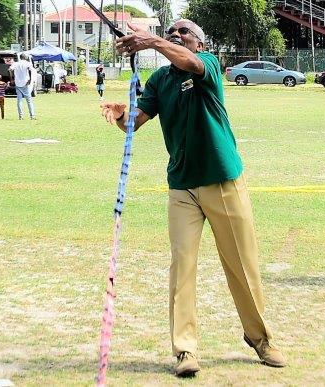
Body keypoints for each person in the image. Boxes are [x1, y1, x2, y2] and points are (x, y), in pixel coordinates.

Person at [106, 19, 285, 377]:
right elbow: (136, 122)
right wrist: (121, 115)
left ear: (200, 42)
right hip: (182, 186)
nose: (176, 35)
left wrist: (152, 41)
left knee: (242, 266)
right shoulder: (160, 80)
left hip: (222, 180)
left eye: (183, 32)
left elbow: (190, 63)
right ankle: (185, 350)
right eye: (171, 31)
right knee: (181, 268)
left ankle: (260, 338)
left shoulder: (208, 64)